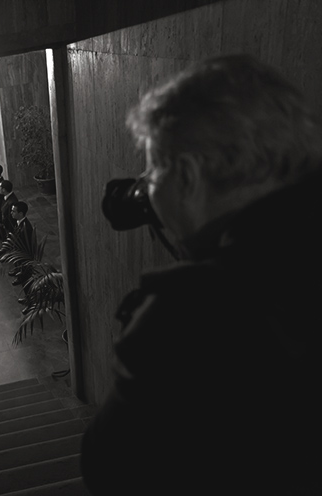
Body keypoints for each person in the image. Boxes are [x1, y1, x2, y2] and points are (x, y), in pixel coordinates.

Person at [81, 55, 322, 495]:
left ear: (189, 176)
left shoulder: (189, 315)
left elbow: (109, 469)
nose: (146, 188)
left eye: (153, 170)